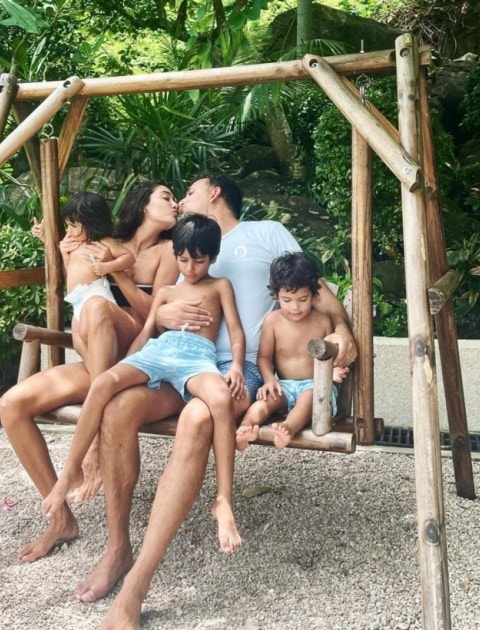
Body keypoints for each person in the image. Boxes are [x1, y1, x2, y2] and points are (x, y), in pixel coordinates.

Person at [73, 172, 358, 627]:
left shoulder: (265, 233)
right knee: (119, 408)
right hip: (180, 358)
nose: (182, 201)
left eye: (189, 192)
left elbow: (314, 287)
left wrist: (341, 329)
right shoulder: (186, 245)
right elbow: (157, 307)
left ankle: (137, 584)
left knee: (196, 421)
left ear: (215, 193)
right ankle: (117, 548)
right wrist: (164, 312)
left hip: (238, 369)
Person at [0, 180, 179, 562]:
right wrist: (60, 247)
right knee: (11, 406)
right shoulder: (102, 239)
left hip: (136, 357)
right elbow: (76, 288)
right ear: (143, 204)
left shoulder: (167, 252)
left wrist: (119, 276)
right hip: (96, 359)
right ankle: (61, 520)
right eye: (167, 197)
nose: (176, 203)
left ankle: (94, 439)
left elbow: (157, 318)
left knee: (96, 308)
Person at [42, 214, 246, 554]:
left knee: (221, 399)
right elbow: (146, 334)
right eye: (183, 259)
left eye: (198, 260)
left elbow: (236, 331)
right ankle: (69, 473)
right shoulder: (166, 292)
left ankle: (223, 500)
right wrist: (122, 368)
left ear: (213, 257)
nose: (190, 268)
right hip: (159, 351)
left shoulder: (219, 285)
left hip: (197, 356)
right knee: (103, 383)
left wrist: (236, 366)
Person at [236, 252, 351, 451]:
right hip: (284, 386)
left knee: (307, 397)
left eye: (302, 299)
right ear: (276, 295)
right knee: (266, 400)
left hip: (316, 386)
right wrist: (269, 381)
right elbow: (264, 358)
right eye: (287, 300)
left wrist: (332, 372)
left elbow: (331, 355)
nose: (295, 307)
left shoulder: (323, 321)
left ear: (315, 296)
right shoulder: (272, 321)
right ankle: (245, 428)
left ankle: (287, 428)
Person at [46, 191, 136, 360]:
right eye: (67, 225)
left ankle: (104, 370)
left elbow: (128, 257)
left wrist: (107, 267)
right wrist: (64, 255)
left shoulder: (103, 242)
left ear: (92, 223)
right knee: (80, 344)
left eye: (73, 226)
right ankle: (97, 372)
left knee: (97, 335)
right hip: (78, 303)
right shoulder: (74, 244)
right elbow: (70, 272)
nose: (69, 231)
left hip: (96, 297)